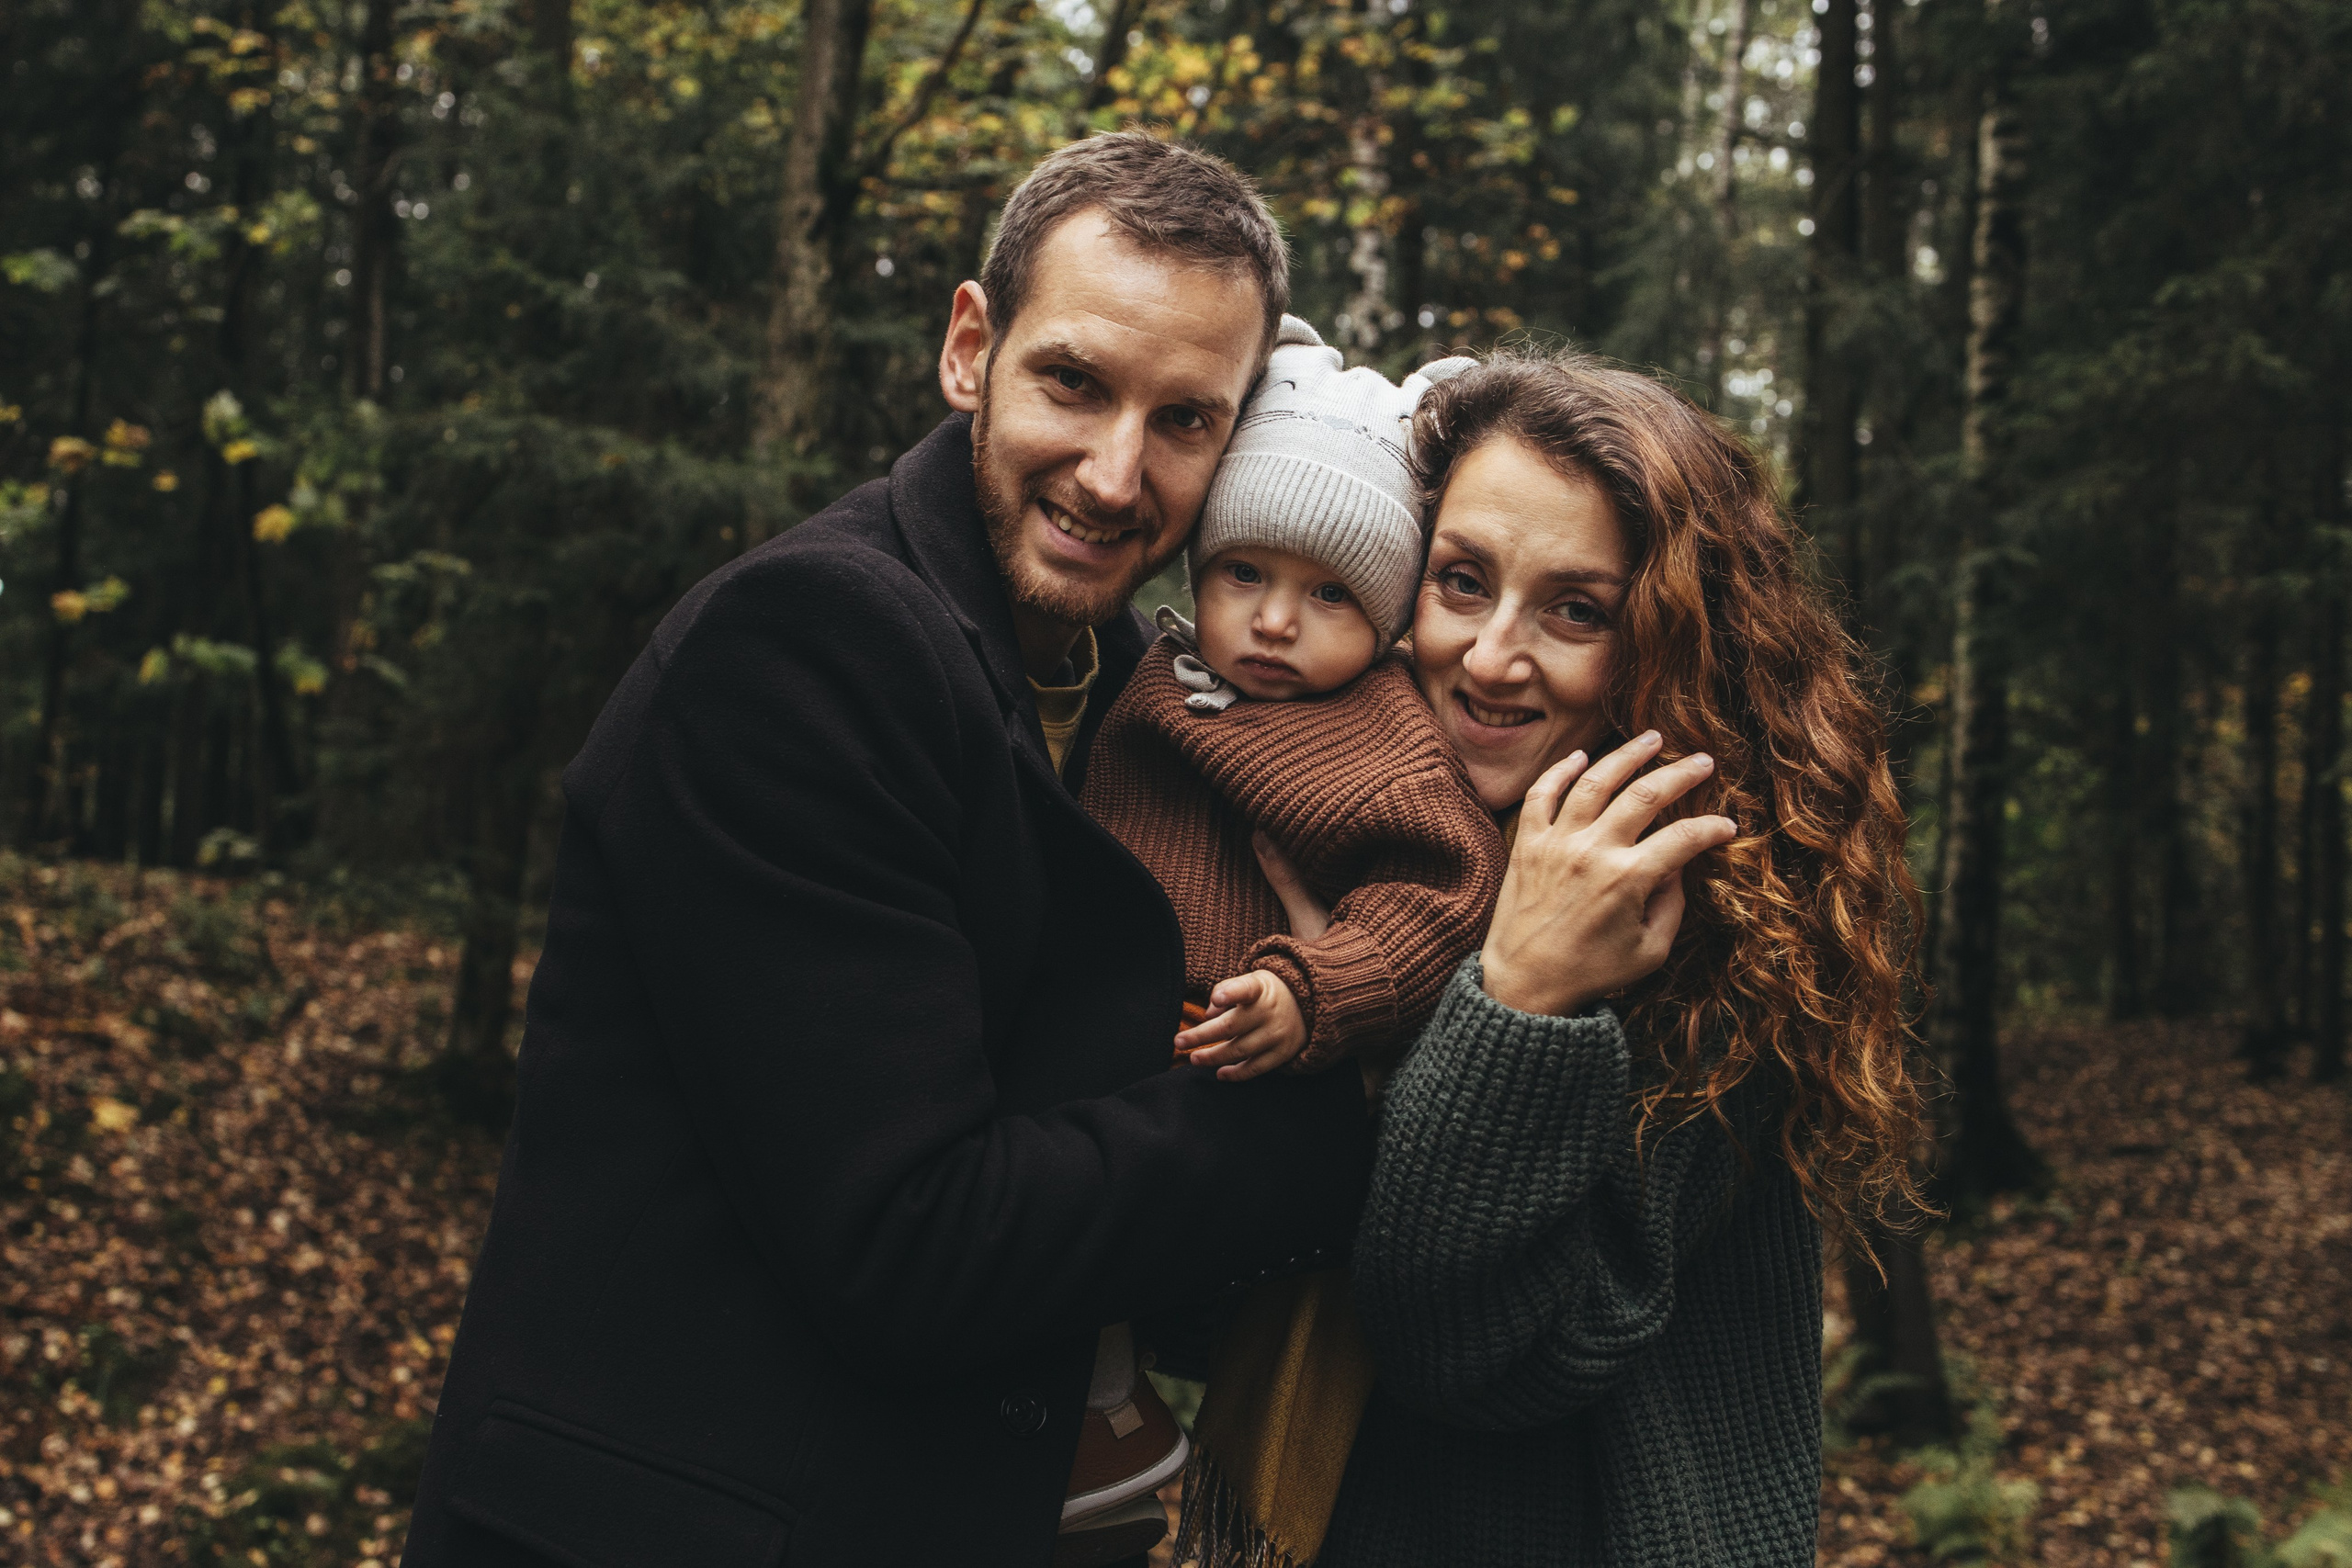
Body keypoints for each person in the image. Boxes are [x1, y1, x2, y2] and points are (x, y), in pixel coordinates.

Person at [400, 133, 1374, 1568]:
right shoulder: (806, 645)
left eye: (1185, 420)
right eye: (1075, 383)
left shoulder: (1131, 695)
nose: (1117, 473)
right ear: (970, 349)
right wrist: (1325, 1124)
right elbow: (909, 1241)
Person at [1243, 347, 1928, 1567]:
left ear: (1674, 643)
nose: (1493, 658)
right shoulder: (1393, 844)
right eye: (1462, 582)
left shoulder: (1708, 911)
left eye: (1576, 611)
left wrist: (1523, 1002)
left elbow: (1478, 1351)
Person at [1073, 317, 1503, 1551]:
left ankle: (1133, 1410)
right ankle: (1102, 1395)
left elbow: (1441, 899)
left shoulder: (1379, 736)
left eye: (1328, 597)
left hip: (1248, 1061)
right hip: (1113, 1039)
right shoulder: (1153, 683)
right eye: (1243, 575)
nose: (1272, 622)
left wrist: (1319, 992)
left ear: (1386, 624)